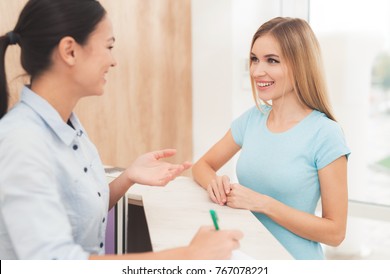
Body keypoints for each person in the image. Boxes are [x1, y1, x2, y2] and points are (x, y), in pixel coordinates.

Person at [0, 0, 242, 260]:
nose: (113, 61)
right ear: (70, 51)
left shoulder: (69, 124)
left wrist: (128, 176)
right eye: (109, 46)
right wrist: (189, 256)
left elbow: (77, 212)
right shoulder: (21, 141)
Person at [192, 17, 350, 260]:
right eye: (254, 59)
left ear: (301, 65)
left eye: (272, 61)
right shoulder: (252, 120)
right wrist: (214, 182)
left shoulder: (325, 134)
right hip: (248, 258)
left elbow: (335, 232)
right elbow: (201, 166)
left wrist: (263, 203)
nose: (257, 71)